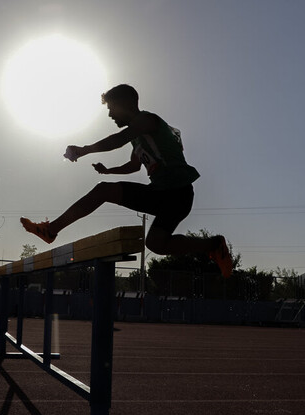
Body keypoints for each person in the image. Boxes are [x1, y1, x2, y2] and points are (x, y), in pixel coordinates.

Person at [21, 84, 233, 277]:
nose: (111, 115)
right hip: (164, 195)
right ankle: (213, 245)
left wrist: (84, 150)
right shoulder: (138, 138)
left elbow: (118, 140)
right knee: (156, 244)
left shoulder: (146, 120)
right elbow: (133, 166)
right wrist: (108, 170)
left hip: (177, 193)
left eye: (112, 109)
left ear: (126, 104)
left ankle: (51, 230)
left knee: (103, 191)